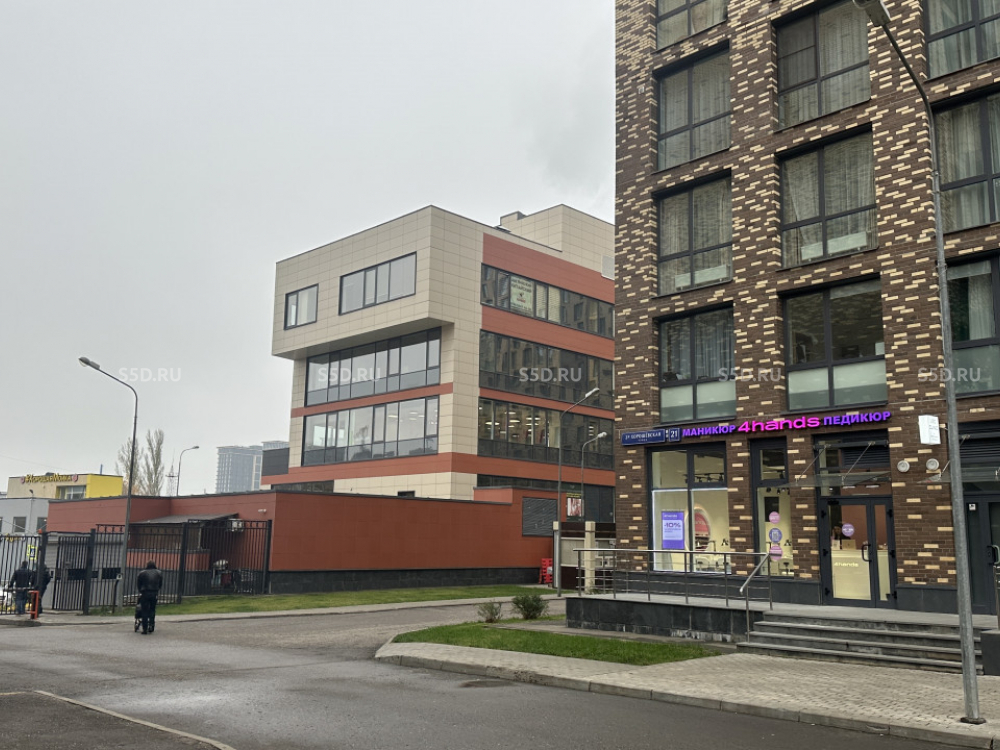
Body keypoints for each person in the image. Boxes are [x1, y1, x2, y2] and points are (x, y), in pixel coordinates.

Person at [136, 560, 163, 635]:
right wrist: (157, 589)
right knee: (152, 610)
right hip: (154, 593)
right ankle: (151, 625)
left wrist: (140, 590)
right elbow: (160, 584)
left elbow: (139, 583)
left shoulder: (142, 573)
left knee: (144, 611)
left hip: (145, 592)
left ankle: (145, 628)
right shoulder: (159, 573)